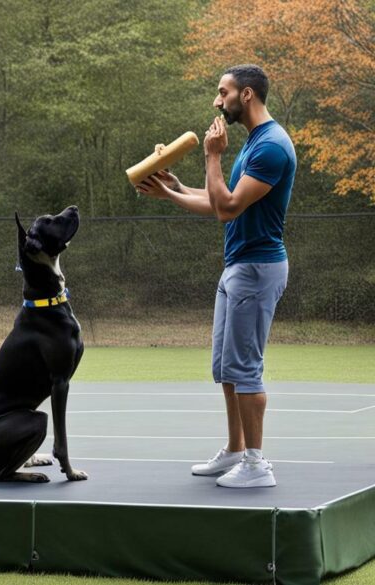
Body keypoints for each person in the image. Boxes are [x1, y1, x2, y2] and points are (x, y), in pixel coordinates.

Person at [136, 64, 295, 488]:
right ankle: (236, 450)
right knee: (225, 368)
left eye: (221, 91)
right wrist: (172, 189)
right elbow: (220, 199)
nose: (215, 100)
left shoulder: (272, 148)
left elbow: (225, 208)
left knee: (245, 368)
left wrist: (211, 155)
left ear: (246, 95)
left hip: (257, 268)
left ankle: (258, 465)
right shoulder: (254, 144)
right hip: (237, 267)